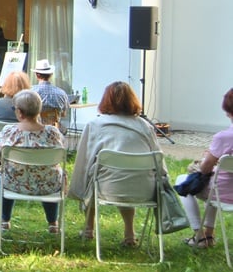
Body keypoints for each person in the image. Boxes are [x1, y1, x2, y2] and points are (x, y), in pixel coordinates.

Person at [69, 81, 165, 246]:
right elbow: (159, 162)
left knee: (93, 175)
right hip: (144, 190)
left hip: (108, 188)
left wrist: (76, 188)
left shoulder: (95, 125)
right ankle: (129, 233)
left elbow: (84, 161)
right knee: (126, 175)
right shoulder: (144, 126)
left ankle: (88, 228)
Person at [0, 89, 65, 232]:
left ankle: (4, 220)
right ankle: (53, 223)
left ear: (19, 112)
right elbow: (61, 153)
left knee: (4, 174)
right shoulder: (52, 133)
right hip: (48, 185)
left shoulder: (9, 131)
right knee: (51, 173)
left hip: (14, 184)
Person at [179, 88, 233, 248]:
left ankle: (199, 236)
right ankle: (209, 235)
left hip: (225, 192)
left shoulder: (224, 137)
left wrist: (208, 158)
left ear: (229, 111)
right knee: (214, 180)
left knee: (184, 181)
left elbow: (205, 169)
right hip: (222, 186)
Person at [31, 59, 69, 125]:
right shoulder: (62, 93)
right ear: (51, 75)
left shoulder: (30, 92)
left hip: (35, 129)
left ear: (37, 75)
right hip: (54, 130)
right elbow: (63, 114)